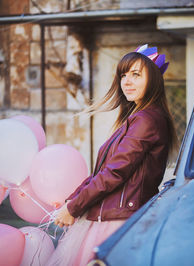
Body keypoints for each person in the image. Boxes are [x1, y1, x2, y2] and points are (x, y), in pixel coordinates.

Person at [46, 44, 178, 266]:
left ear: (153, 79)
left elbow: (114, 173)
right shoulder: (138, 117)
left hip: (119, 220)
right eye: (123, 75)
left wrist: (74, 207)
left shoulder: (147, 120)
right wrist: (73, 200)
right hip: (114, 215)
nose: (126, 81)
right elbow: (104, 170)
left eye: (136, 75)